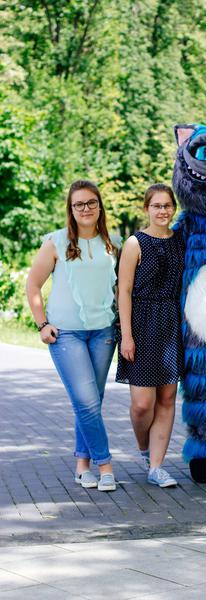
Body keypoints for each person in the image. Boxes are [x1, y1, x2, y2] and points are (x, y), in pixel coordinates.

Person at [26, 180, 120, 492]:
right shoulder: (56, 242)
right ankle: (105, 466)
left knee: (92, 402)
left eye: (91, 202)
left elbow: (119, 288)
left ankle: (82, 467)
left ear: (100, 206)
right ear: (71, 208)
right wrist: (42, 324)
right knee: (86, 402)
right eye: (78, 204)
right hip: (66, 334)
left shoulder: (112, 243)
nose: (85, 208)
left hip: (103, 332)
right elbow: (33, 285)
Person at [116, 183, 185, 488]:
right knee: (143, 403)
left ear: (174, 208)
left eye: (167, 205)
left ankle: (157, 466)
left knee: (167, 397)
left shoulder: (181, 240)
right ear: (146, 209)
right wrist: (126, 336)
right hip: (142, 324)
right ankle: (144, 448)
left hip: (171, 322)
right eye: (156, 206)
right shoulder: (135, 243)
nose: (162, 211)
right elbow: (124, 291)